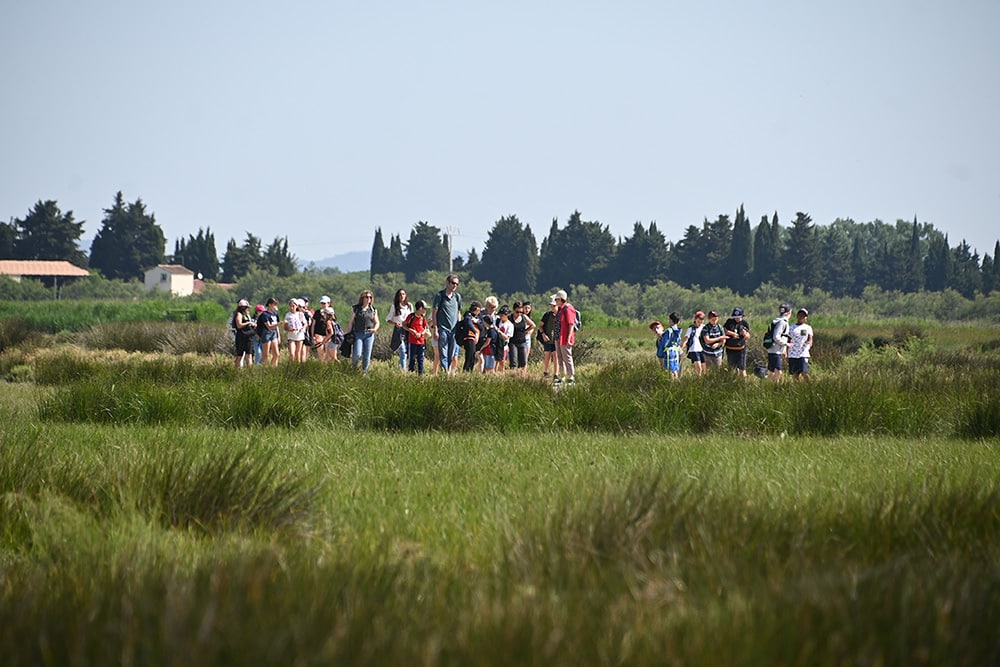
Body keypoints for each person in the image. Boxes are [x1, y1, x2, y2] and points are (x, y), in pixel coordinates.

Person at [431, 274, 462, 375]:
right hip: (442, 328)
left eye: (457, 284)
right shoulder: (439, 296)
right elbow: (434, 312)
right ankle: (445, 371)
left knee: (452, 352)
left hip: (454, 330)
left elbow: (458, 312)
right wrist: (435, 329)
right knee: (443, 351)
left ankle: (448, 369)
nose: (455, 286)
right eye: (453, 283)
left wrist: (459, 327)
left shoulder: (457, 297)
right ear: (447, 283)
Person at [347, 289, 379, 371]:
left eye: (370, 297)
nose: (368, 299)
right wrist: (348, 334)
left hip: (369, 334)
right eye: (366, 297)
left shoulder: (373, 310)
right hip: (358, 333)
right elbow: (351, 322)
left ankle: (364, 372)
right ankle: (354, 369)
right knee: (357, 354)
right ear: (362, 298)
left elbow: (377, 322)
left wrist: (375, 329)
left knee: (367, 355)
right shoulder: (356, 309)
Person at [552, 289, 578, 385]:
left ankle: (571, 376)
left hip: (565, 337)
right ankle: (562, 376)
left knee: (567, 356)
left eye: (557, 299)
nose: (555, 301)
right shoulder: (560, 310)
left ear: (561, 299)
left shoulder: (568, 308)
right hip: (558, 337)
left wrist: (569, 337)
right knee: (560, 357)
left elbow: (571, 324)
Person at [766, 303, 793, 382]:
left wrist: (784, 350)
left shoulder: (777, 321)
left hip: (774, 350)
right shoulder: (782, 322)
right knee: (779, 371)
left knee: (772, 371)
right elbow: (776, 337)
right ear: (789, 312)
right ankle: (774, 386)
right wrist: (786, 344)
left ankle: (768, 385)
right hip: (775, 351)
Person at [388, 289, 413, 372]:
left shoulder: (409, 306)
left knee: (407, 351)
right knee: (402, 351)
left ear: (405, 295)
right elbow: (388, 319)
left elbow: (413, 318)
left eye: (403, 294)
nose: (402, 296)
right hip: (398, 330)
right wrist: (395, 323)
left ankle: (401, 366)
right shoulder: (394, 306)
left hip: (407, 330)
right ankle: (404, 371)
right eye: (400, 294)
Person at [723, 307, 752, 377]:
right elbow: (724, 330)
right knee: (732, 370)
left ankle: (743, 385)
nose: (737, 319)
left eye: (739, 317)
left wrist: (745, 334)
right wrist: (732, 334)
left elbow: (748, 336)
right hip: (730, 349)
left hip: (740, 350)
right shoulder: (729, 322)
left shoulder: (744, 324)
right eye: (736, 317)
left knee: (743, 370)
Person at [507, 300, 535, 372]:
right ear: (513, 310)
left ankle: (522, 377)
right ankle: (512, 376)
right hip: (513, 342)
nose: (519, 314)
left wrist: (526, 331)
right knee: (513, 362)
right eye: (517, 312)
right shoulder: (509, 318)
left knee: (523, 362)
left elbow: (533, 325)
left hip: (522, 342)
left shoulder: (524, 317)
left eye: (520, 312)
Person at [403, 300, 430, 375]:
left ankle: (420, 375)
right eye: (424, 308)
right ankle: (411, 373)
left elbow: (426, 328)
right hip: (412, 341)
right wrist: (411, 330)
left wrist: (422, 333)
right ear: (420, 308)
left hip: (421, 341)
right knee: (412, 358)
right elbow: (404, 325)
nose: (425, 310)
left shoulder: (423, 318)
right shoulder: (411, 316)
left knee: (420, 359)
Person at [788, 308, 814, 381]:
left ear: (806, 318)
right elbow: (788, 339)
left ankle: (810, 386)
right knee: (795, 374)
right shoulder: (791, 328)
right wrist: (786, 351)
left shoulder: (807, 328)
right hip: (792, 353)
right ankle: (798, 389)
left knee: (804, 372)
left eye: (804, 316)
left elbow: (810, 339)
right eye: (800, 315)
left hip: (803, 353)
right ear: (797, 316)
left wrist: (808, 344)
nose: (801, 317)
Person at [537, 296, 560, 379]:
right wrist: (543, 334)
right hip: (547, 339)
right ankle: (546, 372)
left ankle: (556, 374)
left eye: (554, 306)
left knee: (556, 356)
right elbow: (540, 326)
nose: (552, 308)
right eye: (551, 306)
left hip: (556, 340)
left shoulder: (560, 316)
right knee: (547, 355)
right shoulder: (547, 315)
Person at [231, 299, 255, 368]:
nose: (248, 309)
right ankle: (236, 370)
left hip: (248, 337)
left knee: (249, 355)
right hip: (241, 337)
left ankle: (250, 372)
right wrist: (248, 323)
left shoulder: (247, 315)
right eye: (247, 307)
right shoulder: (239, 314)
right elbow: (239, 325)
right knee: (240, 356)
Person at [460, 301, 482, 373]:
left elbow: (482, 327)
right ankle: (466, 370)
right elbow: (468, 322)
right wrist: (475, 332)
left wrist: (477, 322)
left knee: (473, 356)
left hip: (475, 339)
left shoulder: (478, 317)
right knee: (469, 355)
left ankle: (470, 370)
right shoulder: (468, 315)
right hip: (469, 337)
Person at [258, 297, 281, 366]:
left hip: (274, 333)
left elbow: (276, 327)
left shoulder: (275, 314)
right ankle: (262, 367)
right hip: (266, 333)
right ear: (270, 305)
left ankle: (273, 368)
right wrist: (279, 324)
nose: (276, 307)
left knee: (276, 354)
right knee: (266, 354)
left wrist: (278, 336)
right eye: (275, 305)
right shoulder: (264, 315)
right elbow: (269, 326)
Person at [683, 311, 706, 376]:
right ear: (695, 319)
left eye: (701, 322)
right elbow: (686, 338)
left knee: (704, 368)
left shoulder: (704, 327)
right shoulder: (691, 328)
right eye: (698, 321)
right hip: (694, 349)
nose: (700, 323)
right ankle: (698, 380)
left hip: (702, 349)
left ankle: (703, 381)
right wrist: (682, 347)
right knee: (699, 368)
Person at [284, 298, 307, 363]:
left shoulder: (300, 314)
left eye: (293, 306)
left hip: (299, 335)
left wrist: (301, 328)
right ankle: (292, 366)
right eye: (290, 306)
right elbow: (285, 327)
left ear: (296, 306)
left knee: (298, 353)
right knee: (292, 353)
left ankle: (297, 367)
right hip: (291, 336)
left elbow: (305, 324)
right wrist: (289, 329)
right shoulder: (287, 315)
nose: (291, 308)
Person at [495, 305, 513, 372]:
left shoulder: (510, 325)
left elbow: (507, 337)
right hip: (496, 343)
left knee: (502, 362)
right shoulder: (497, 322)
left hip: (503, 345)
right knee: (495, 361)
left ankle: (502, 374)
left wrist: (499, 331)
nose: (501, 317)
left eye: (502, 315)